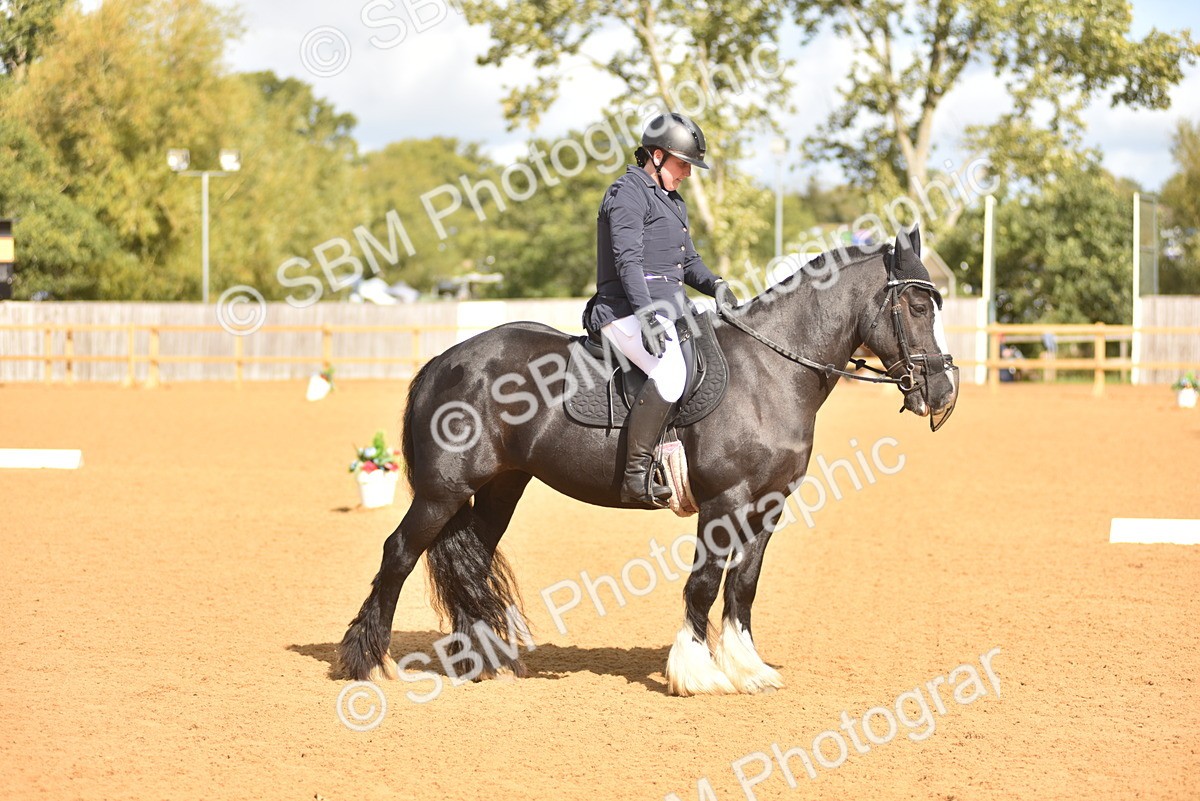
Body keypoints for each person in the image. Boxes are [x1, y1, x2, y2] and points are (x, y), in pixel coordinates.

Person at [583, 112, 738, 508]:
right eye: (683, 163)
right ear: (656, 156)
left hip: (668, 310)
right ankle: (635, 476)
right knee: (670, 372)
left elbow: (687, 263)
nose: (688, 173)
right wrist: (648, 314)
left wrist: (716, 283)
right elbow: (627, 263)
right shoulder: (627, 193)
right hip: (622, 311)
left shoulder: (672, 202)